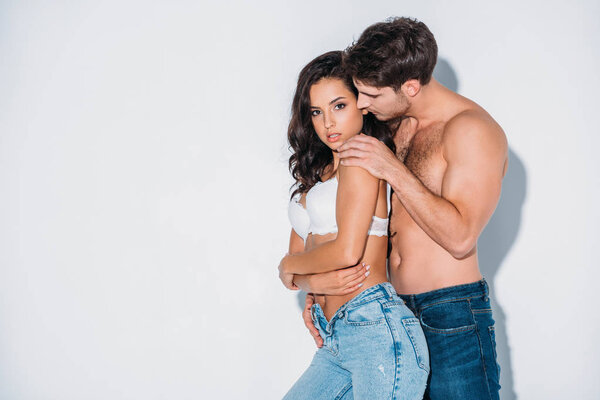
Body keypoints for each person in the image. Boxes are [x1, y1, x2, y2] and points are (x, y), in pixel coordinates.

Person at [300, 18, 508, 400]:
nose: (362, 105)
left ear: (410, 87)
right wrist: (318, 289)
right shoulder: (394, 126)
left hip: (450, 313)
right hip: (389, 314)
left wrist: (392, 168)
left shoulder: (471, 130)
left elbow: (461, 238)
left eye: (371, 95)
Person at [279, 51, 429, 400]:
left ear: (362, 105)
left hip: (375, 330)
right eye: (316, 112)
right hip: (335, 339)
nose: (328, 122)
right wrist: (310, 280)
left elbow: (345, 252)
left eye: (339, 106)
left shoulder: (360, 158)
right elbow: (302, 267)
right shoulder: (317, 177)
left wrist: (286, 268)